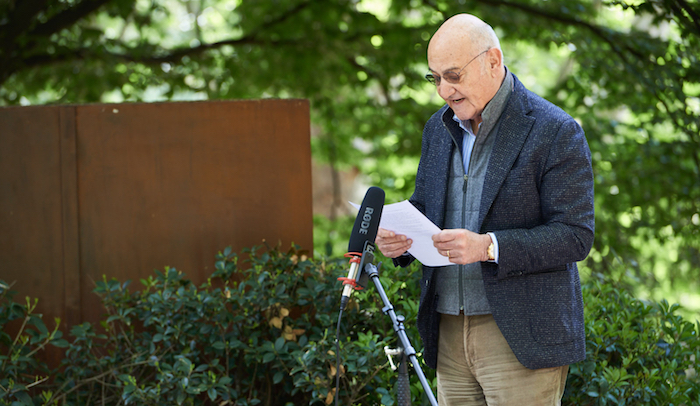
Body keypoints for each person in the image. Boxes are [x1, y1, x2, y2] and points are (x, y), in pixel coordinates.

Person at [375, 13, 595, 406]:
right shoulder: (436, 129)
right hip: (447, 332)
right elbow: (426, 210)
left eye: (453, 75)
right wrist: (400, 240)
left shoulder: (555, 130)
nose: (443, 90)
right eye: (435, 77)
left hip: (519, 336)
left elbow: (575, 235)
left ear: (493, 60)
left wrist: (488, 247)